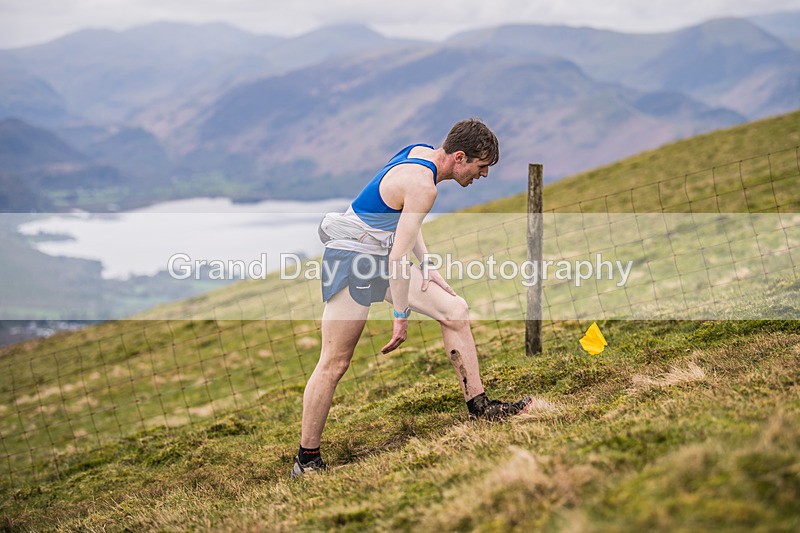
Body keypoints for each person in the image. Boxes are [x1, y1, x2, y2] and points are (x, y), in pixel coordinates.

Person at [292, 119, 532, 478]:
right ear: (461, 157)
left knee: (454, 310)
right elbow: (397, 260)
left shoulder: (422, 155)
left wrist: (429, 264)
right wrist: (401, 314)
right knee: (335, 362)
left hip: (381, 253)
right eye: (482, 167)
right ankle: (306, 459)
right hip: (352, 260)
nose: (482, 176)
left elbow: (407, 222)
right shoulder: (425, 185)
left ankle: (480, 407)